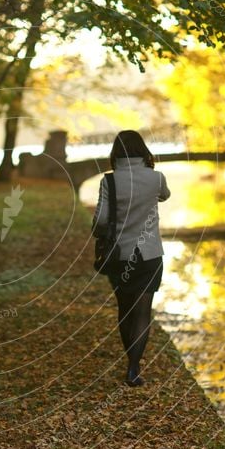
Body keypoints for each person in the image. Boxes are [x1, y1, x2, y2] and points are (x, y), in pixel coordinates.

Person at [92, 130, 170, 387]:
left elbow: (102, 221)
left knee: (125, 310)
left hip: (120, 256)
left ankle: (130, 358)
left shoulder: (109, 182)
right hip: (149, 255)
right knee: (142, 312)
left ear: (116, 152)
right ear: (142, 150)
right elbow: (165, 195)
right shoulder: (156, 178)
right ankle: (133, 367)